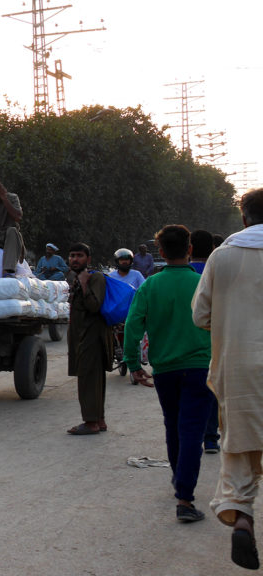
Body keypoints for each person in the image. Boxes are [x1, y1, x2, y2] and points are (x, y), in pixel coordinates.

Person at [192, 188, 263, 570]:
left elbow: (200, 316)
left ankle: (243, 518)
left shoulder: (223, 256)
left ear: (243, 218)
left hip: (238, 369)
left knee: (239, 449)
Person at [123, 225, 212, 523]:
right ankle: (184, 498)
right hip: (201, 368)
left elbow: (133, 326)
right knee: (191, 431)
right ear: (189, 250)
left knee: (173, 427)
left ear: (160, 253)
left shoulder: (150, 286)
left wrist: (133, 364)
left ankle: (180, 480)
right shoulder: (203, 283)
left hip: (165, 371)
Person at [66, 243, 112, 435]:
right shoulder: (74, 278)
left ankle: (91, 422)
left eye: (79, 256)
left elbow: (94, 306)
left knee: (88, 380)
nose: (75, 259)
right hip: (81, 335)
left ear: (88, 259)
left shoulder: (96, 278)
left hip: (92, 336)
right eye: (72, 255)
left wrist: (84, 284)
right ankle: (99, 420)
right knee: (93, 379)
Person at [189, 229, 221, 454]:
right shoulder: (217, 275)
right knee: (211, 395)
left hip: (179, 350)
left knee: (186, 399)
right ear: (212, 249)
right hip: (212, 347)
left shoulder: (171, 276)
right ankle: (210, 439)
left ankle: (189, 440)